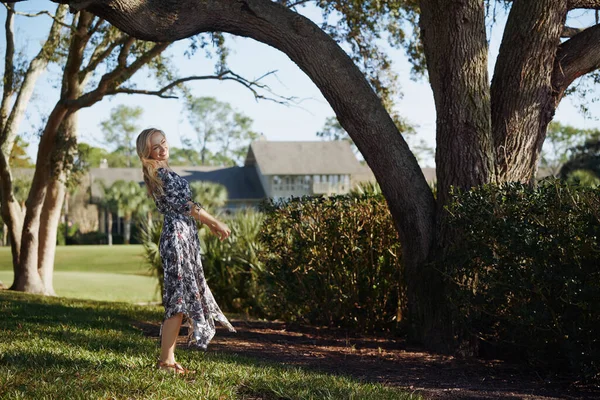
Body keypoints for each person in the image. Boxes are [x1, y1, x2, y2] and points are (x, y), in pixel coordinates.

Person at [136, 128, 236, 374]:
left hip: (183, 236)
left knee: (179, 299)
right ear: (147, 151)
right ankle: (165, 362)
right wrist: (215, 223)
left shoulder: (162, 172)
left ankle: (167, 360)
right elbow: (187, 206)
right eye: (155, 146)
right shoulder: (160, 173)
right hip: (177, 238)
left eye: (163, 142)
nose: (162, 148)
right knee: (178, 300)